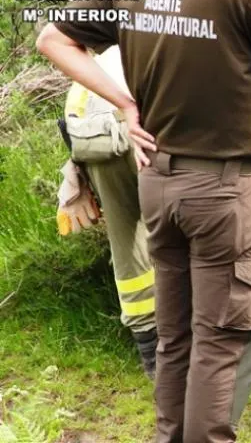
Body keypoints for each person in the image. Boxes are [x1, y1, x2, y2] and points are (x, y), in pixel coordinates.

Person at [36, 0, 251, 440]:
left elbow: (52, 39)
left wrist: (124, 102)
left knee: (176, 338)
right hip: (226, 193)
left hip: (158, 185)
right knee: (222, 341)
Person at [56, 45, 158, 379]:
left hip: (90, 136)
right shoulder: (151, 37)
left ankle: (152, 355)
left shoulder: (94, 61)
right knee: (189, 227)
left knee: (127, 240)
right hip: (138, 123)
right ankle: (216, 343)